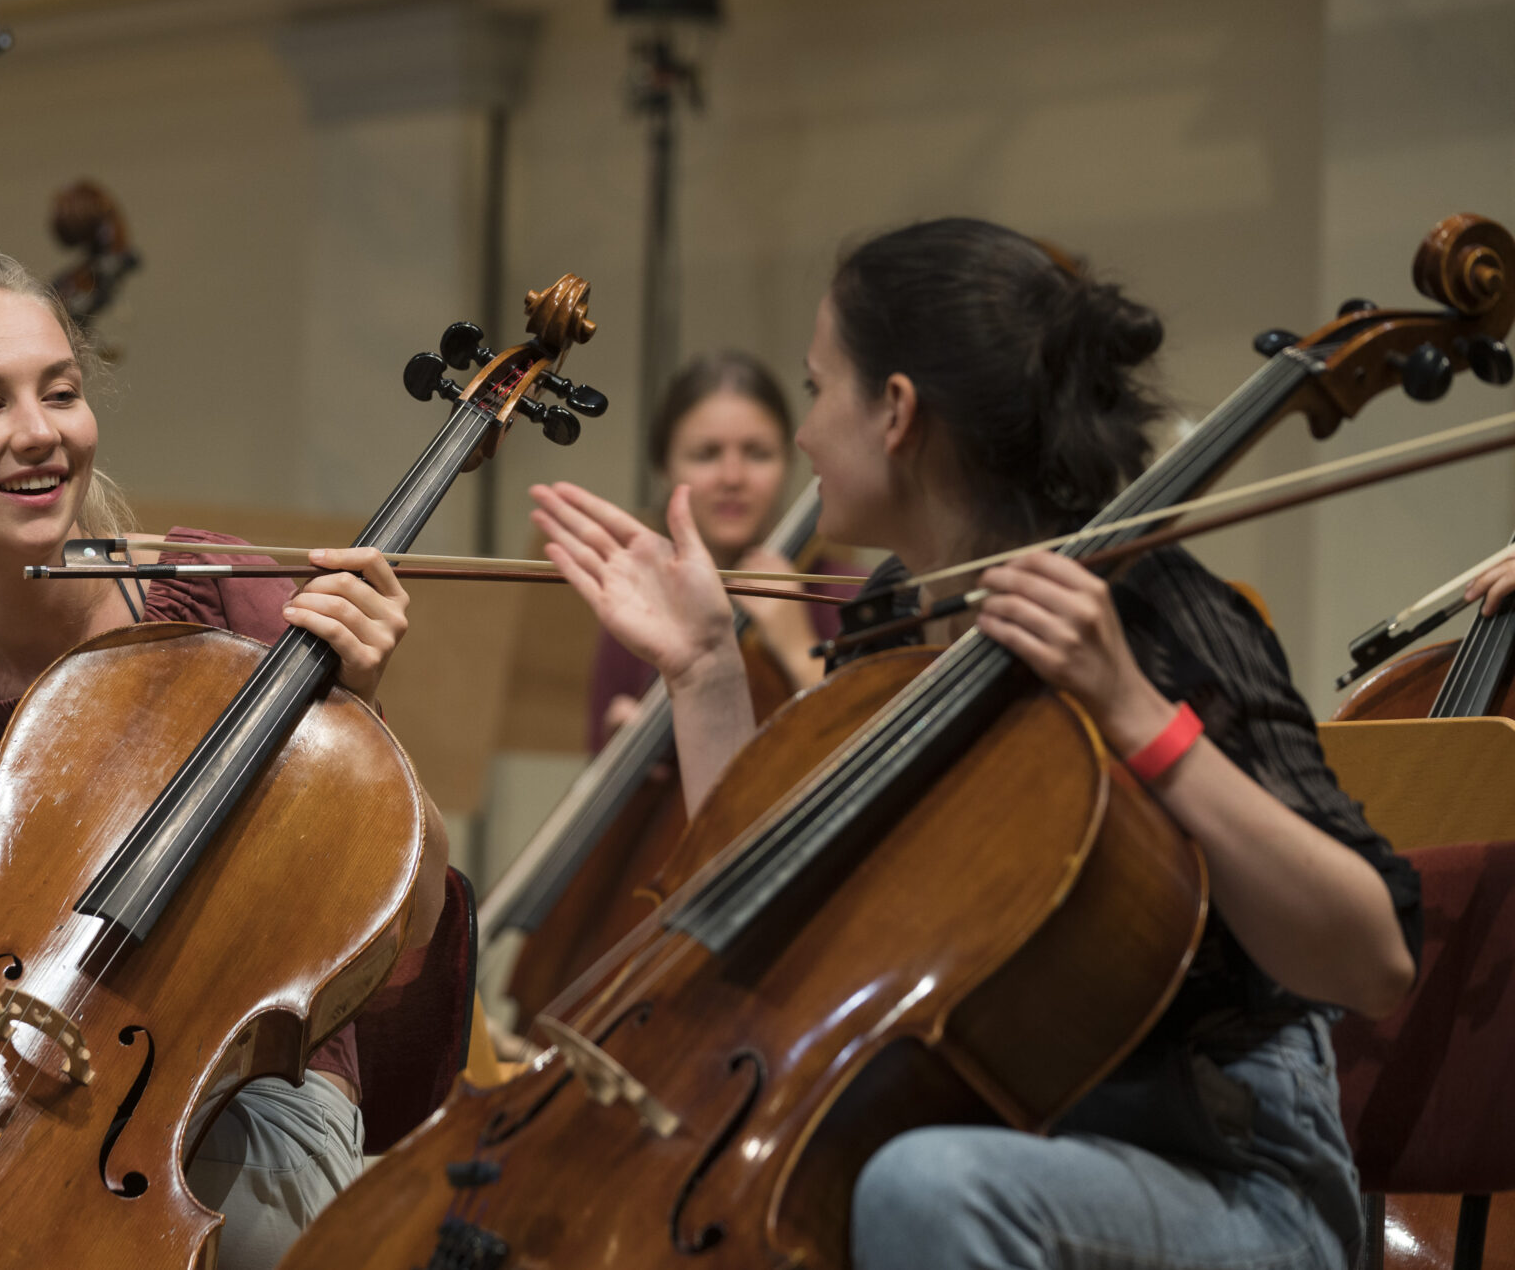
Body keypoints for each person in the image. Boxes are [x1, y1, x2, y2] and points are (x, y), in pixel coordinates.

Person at [531, 218, 1421, 1270]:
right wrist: (703, 667)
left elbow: (1370, 960)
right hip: (1006, 1129)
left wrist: (1134, 713)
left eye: (819, 389)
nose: (805, 435)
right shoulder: (889, 622)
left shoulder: (1147, 610)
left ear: (895, 411)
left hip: (1232, 1175)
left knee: (927, 1190)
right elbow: (786, 910)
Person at [0, 250, 454, 1269]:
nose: (38, 432)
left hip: (243, 1091)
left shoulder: (228, 605)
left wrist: (359, 719)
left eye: (59, 392)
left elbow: (409, 924)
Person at [587, 351, 861, 751]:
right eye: (707, 454)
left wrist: (800, 651)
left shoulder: (847, 596)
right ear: (665, 468)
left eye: (757, 453)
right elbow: (597, 756)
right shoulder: (637, 605)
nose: (732, 477)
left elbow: (873, 752)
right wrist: (622, 759)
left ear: (788, 460)